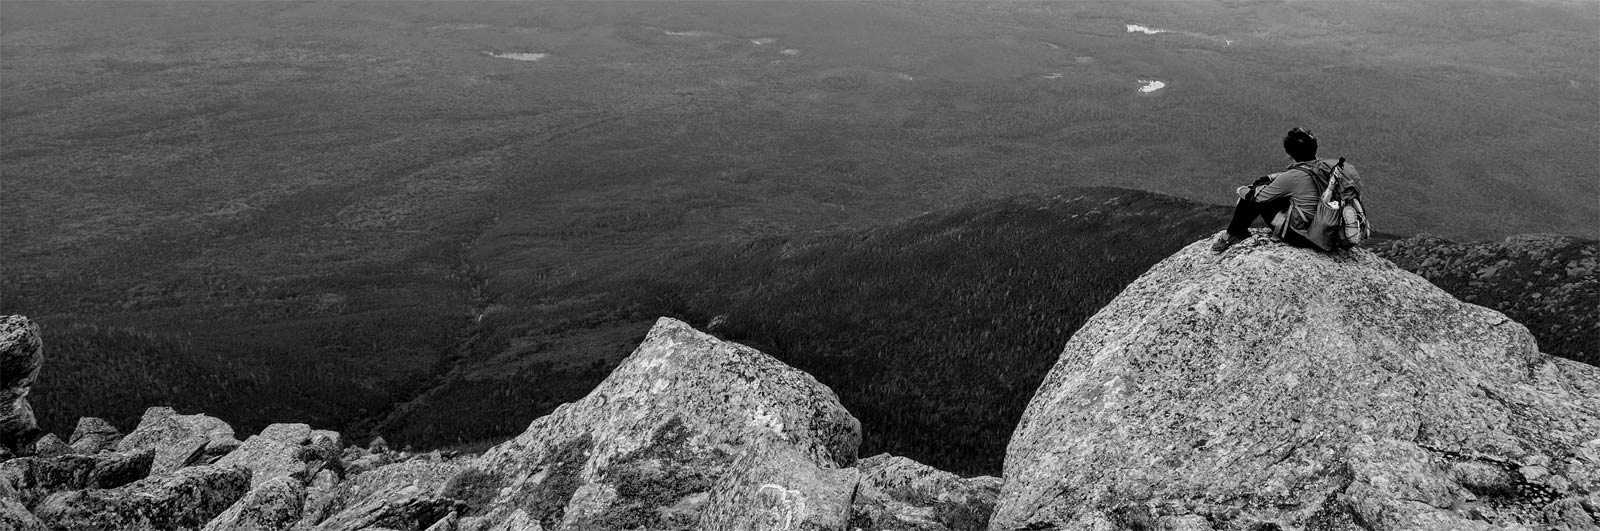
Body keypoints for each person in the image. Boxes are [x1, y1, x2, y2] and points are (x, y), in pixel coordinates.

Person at [1212, 128, 1334, 252]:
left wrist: (1242, 190)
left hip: (1300, 236)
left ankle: (1233, 234)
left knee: (1252, 197)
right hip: (1322, 232)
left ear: (1289, 154)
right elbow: (1295, 177)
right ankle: (1235, 233)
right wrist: (1269, 178)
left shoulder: (1293, 177)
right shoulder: (1324, 167)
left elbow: (1258, 198)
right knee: (1266, 189)